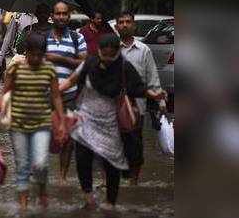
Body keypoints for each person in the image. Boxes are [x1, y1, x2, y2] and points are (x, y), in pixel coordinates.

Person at [59, 34, 165, 210]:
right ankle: (88, 197)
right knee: (82, 158)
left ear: (117, 53)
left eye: (111, 57)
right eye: (104, 57)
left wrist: (155, 95)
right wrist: (51, 91)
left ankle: (110, 204)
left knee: (112, 164)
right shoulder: (89, 64)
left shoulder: (124, 68)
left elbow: (138, 88)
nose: (107, 61)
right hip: (86, 120)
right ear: (99, 52)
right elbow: (71, 81)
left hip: (111, 124)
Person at [0, 33, 65, 212]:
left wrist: (61, 121)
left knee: (40, 164)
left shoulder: (49, 70)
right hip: (18, 125)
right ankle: (23, 207)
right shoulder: (15, 69)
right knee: (22, 166)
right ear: (26, 52)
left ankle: (42, 189)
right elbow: (4, 94)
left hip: (42, 124)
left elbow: (56, 97)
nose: (36, 59)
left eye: (40, 55)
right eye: (33, 54)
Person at [114, 11, 167, 185]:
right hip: (112, 106)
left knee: (135, 145)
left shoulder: (144, 50)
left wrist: (160, 101)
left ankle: (133, 183)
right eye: (120, 22)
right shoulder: (111, 49)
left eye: (127, 22)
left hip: (137, 107)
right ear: (116, 26)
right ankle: (112, 180)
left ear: (133, 25)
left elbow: (152, 78)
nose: (124, 25)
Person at [46, 1, 87, 184]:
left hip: (70, 93)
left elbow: (84, 64)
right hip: (44, 94)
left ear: (69, 16)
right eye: (58, 13)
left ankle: (62, 176)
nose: (61, 17)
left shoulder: (77, 38)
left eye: (64, 14)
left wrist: (60, 59)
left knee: (68, 138)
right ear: (52, 16)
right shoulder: (43, 38)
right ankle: (41, 174)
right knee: (42, 134)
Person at [0, 12, 37, 82]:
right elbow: (8, 38)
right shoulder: (18, 16)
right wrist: (0, 58)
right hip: (20, 56)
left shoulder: (47, 18)